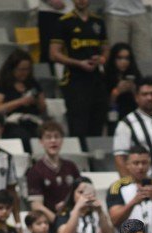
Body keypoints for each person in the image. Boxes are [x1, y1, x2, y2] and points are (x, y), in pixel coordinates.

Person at [50, 0, 109, 143]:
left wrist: (101, 59)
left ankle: (96, 156)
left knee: (97, 125)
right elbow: (54, 54)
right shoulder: (63, 22)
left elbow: (106, 49)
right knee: (78, 127)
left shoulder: (98, 22)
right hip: (74, 81)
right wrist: (78, 63)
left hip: (96, 81)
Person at [113, 77, 152, 181]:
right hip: (143, 184)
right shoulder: (126, 124)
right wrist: (129, 185)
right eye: (145, 94)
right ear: (136, 97)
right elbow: (120, 158)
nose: (149, 98)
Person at [0, 49, 48, 153]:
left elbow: (42, 108)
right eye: (21, 69)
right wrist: (20, 102)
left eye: (27, 69)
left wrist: (37, 102)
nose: (24, 73)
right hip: (12, 123)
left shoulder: (33, 84)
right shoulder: (2, 84)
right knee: (23, 137)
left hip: (33, 121)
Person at [25, 120, 81, 225]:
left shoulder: (71, 166)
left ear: (62, 140)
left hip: (74, 219)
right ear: (41, 141)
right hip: (50, 224)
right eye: (48, 137)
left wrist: (68, 207)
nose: (53, 140)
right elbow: (36, 206)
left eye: (57, 136)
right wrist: (58, 221)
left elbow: (81, 194)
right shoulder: (35, 170)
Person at [103, 43, 141, 133]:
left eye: (127, 58)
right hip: (113, 117)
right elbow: (103, 104)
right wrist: (116, 92)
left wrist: (134, 90)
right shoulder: (106, 76)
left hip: (132, 116)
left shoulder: (135, 75)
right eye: (119, 58)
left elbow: (142, 103)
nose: (123, 62)